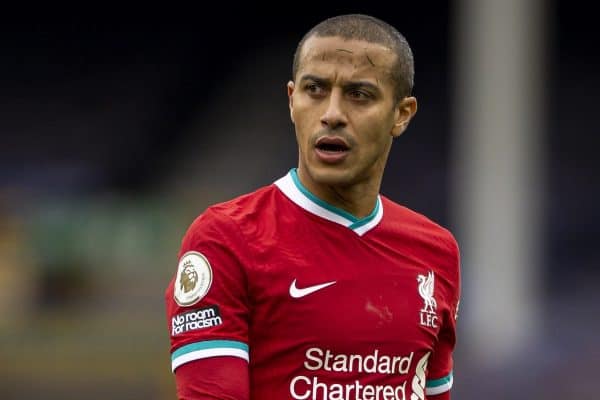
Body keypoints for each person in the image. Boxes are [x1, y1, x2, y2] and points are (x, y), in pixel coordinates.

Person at [165, 14, 460, 400]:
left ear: (401, 114)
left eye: (359, 94)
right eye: (315, 89)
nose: (332, 113)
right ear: (292, 101)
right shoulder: (226, 238)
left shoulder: (436, 251)